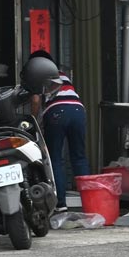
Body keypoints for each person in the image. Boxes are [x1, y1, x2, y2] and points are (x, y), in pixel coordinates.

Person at [27, 52, 88, 210]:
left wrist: (32, 121)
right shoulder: (62, 75)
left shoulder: (37, 75)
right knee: (79, 157)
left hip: (56, 113)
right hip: (78, 111)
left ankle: (60, 204)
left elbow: (35, 100)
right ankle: (89, 201)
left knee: (55, 158)